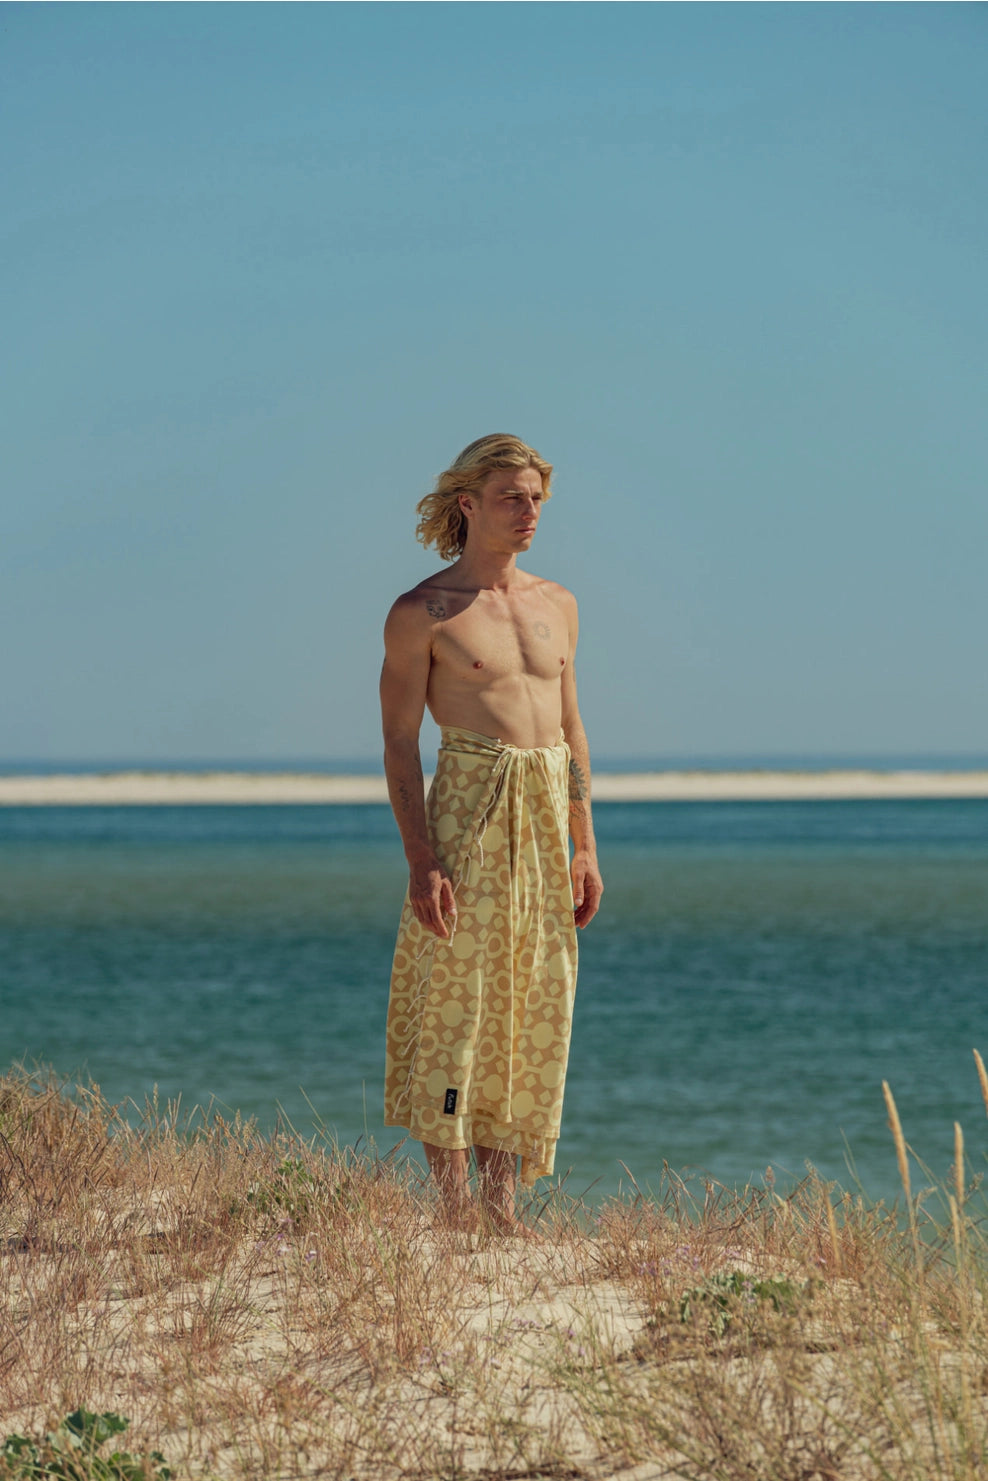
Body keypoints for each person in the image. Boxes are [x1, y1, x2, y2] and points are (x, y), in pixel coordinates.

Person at [380, 433, 603, 1234]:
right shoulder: (423, 612)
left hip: (545, 818)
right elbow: (399, 742)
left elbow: (571, 728)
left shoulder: (559, 604)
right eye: (512, 496)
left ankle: (501, 1209)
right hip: (469, 811)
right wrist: (422, 859)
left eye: (537, 497)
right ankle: (452, 1208)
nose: (529, 510)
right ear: (468, 503)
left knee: (532, 1001)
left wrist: (585, 843)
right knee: (456, 1002)